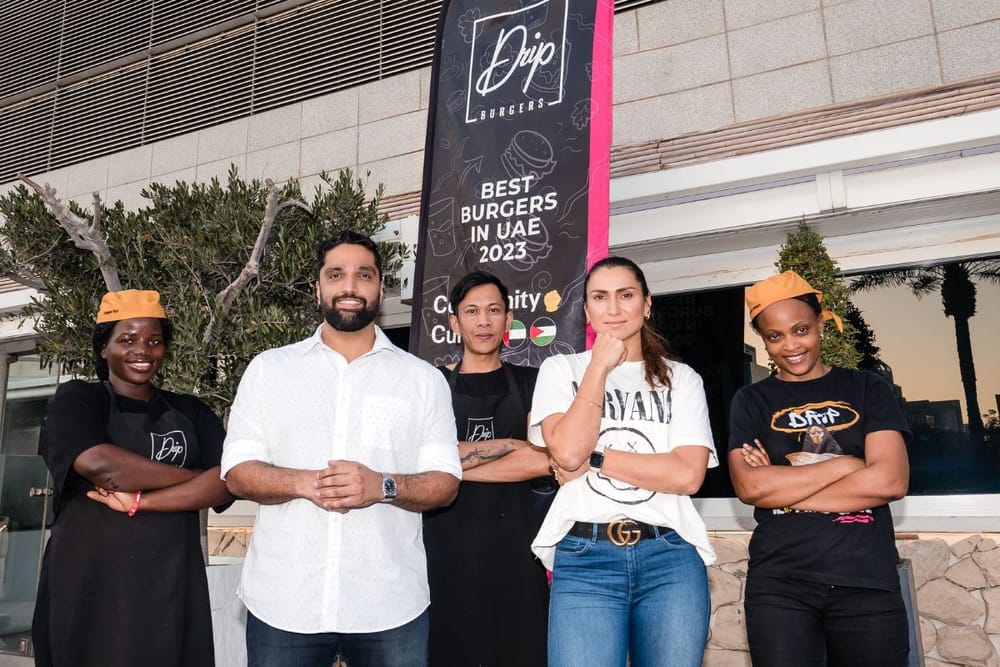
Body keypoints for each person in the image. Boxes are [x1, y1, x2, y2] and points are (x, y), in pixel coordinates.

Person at [221, 230, 462, 667]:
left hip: (389, 605)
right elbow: (236, 471)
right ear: (318, 288)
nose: (350, 286)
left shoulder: (422, 380)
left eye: (363, 275)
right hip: (285, 602)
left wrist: (380, 486)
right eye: (336, 275)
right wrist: (306, 483)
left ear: (381, 289)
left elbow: (445, 483)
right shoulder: (269, 370)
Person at [529, 256, 717, 667]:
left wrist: (596, 456)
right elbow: (567, 453)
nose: (613, 308)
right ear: (586, 310)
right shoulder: (561, 370)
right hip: (585, 556)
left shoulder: (682, 379)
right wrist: (599, 365)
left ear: (647, 304)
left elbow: (687, 475)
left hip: (670, 557)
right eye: (600, 297)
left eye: (626, 295)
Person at [32, 289, 233, 667]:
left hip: (170, 581)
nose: (142, 350)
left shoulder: (190, 410)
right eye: (127, 339)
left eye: (154, 341)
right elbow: (100, 465)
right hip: (90, 581)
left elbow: (228, 481)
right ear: (103, 347)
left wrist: (143, 498)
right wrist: (192, 477)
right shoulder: (79, 399)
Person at [728, 270, 910, 666]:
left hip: (866, 581)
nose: (791, 345)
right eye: (775, 336)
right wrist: (848, 465)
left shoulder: (867, 388)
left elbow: (890, 481)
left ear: (821, 324)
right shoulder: (751, 401)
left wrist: (782, 489)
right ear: (763, 340)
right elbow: (750, 488)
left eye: (801, 330)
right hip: (780, 586)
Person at [423, 270, 552, 666]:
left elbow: (546, 460)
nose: (484, 321)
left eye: (494, 310)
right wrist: (512, 446)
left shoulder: (534, 382)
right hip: (444, 557)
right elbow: (416, 461)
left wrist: (449, 463)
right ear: (454, 322)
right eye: (472, 311)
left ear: (508, 319)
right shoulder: (432, 385)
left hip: (519, 558)